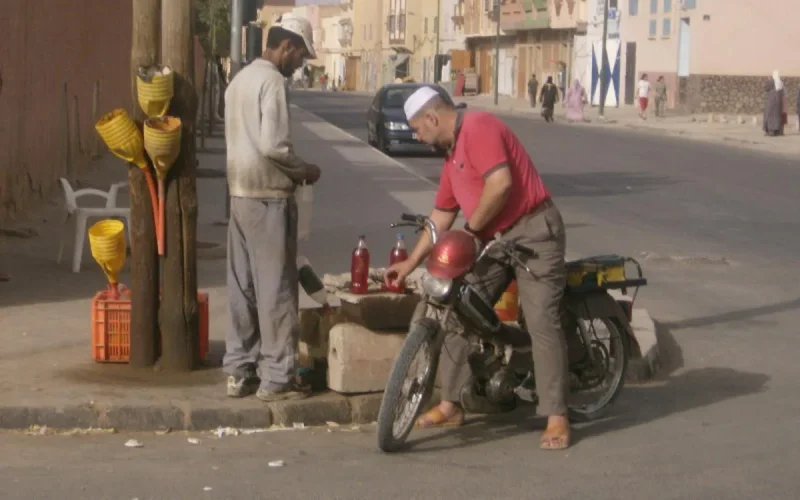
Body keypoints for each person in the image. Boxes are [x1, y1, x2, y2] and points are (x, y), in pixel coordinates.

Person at [386, 86, 571, 450]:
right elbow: (441, 215)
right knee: (458, 308)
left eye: (418, 130)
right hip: (494, 240)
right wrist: (409, 264)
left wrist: (470, 234)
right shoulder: (451, 157)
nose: (419, 138)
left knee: (540, 320)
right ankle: (451, 404)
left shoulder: (479, 127)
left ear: (433, 118)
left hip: (533, 232)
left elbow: (500, 185)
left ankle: (556, 415)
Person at [222, 13, 322, 402]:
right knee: (276, 289)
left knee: (242, 287)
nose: (300, 64)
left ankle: (238, 370)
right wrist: (304, 170)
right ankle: (278, 377)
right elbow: (273, 146)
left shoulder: (240, 80)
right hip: (268, 197)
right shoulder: (272, 82)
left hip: (240, 195)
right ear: (287, 47)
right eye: (300, 56)